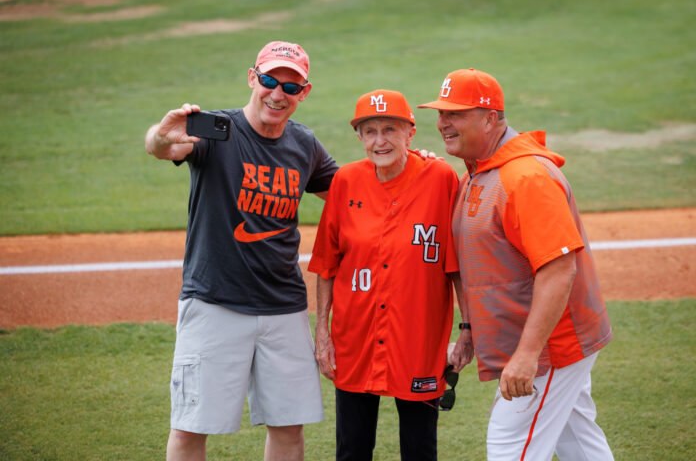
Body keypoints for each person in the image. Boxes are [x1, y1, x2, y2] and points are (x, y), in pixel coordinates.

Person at [144, 41, 338, 461]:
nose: (277, 94)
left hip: (283, 307)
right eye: (269, 80)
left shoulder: (304, 144)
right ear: (253, 78)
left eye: (291, 87)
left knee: (288, 428)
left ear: (304, 93)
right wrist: (161, 136)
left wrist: (412, 165)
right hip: (215, 302)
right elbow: (165, 148)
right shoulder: (218, 130)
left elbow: (352, 192)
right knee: (190, 428)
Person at [418, 68, 615, 460]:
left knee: (510, 446)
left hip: (552, 345)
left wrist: (527, 356)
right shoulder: (480, 169)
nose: (442, 123)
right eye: (441, 113)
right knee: (580, 445)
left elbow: (559, 270)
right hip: (544, 341)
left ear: (490, 118)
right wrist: (471, 328)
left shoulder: (527, 178)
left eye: (455, 114)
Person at [309, 89, 473, 461]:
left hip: (417, 338)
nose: (379, 141)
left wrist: (467, 329)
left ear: (410, 133)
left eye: (390, 129)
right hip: (355, 336)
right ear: (360, 137)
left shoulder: (440, 179)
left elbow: (456, 267)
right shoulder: (346, 182)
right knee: (351, 449)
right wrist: (322, 331)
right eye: (370, 131)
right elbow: (326, 265)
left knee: (419, 448)